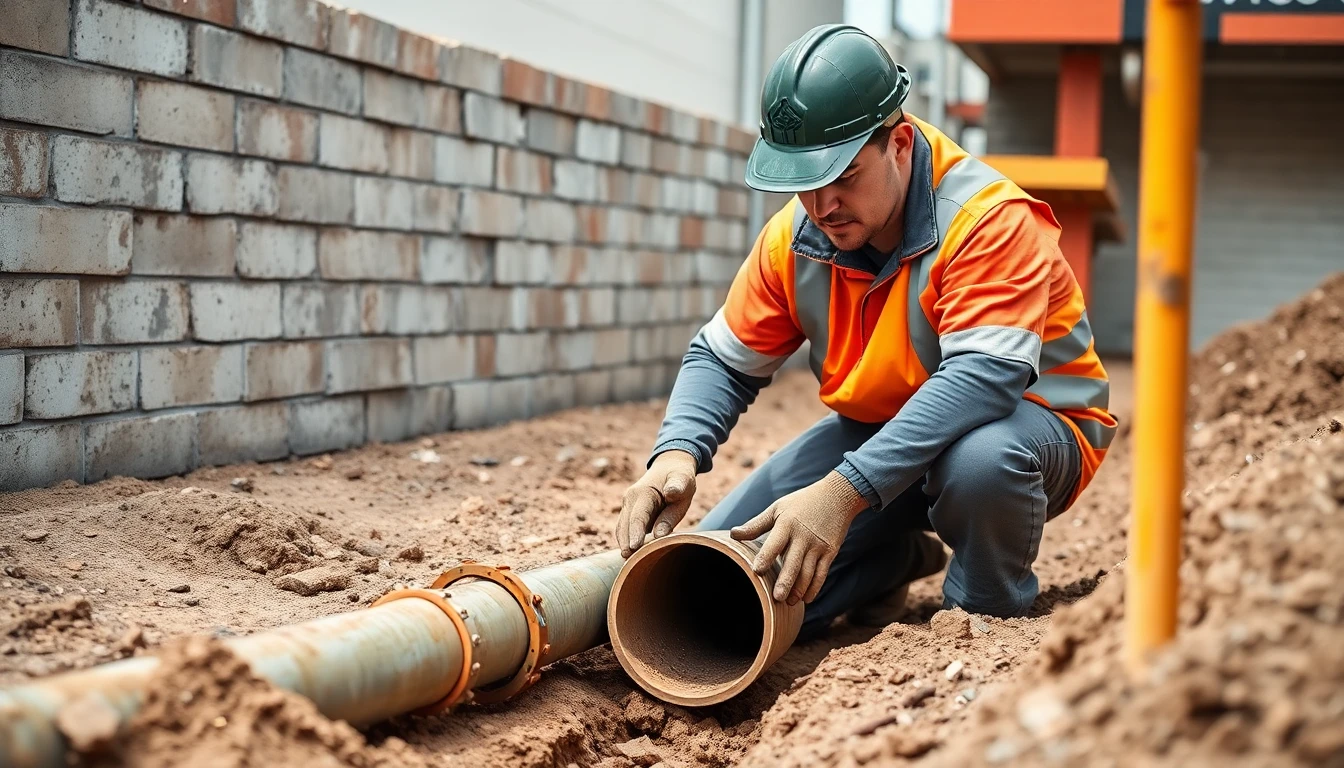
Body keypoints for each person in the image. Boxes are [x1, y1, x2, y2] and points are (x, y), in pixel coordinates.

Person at [613, 24, 1116, 639]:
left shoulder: (988, 221)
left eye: (844, 176)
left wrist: (843, 492)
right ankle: (891, 564)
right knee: (721, 577)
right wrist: (677, 453)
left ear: (898, 144)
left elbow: (984, 380)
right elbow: (723, 358)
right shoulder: (795, 237)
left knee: (980, 463)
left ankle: (982, 616)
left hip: (1026, 430)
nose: (822, 206)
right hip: (882, 430)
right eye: (805, 183)